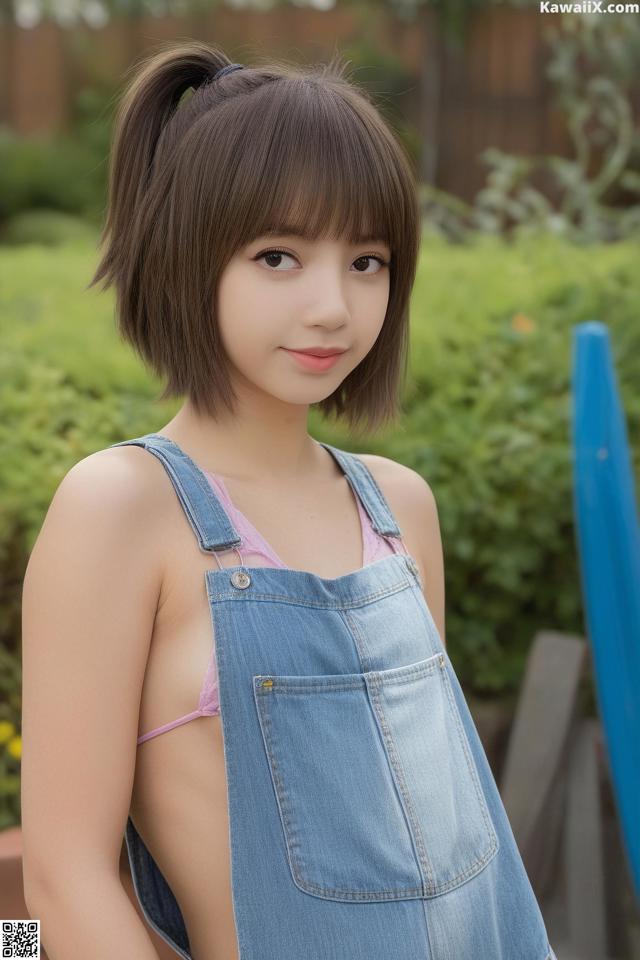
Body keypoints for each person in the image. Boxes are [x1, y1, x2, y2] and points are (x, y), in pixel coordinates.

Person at [20, 40, 556, 960]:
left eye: (367, 261)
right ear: (188, 259)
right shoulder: (120, 509)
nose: (332, 308)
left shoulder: (399, 508)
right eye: (278, 256)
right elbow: (62, 879)